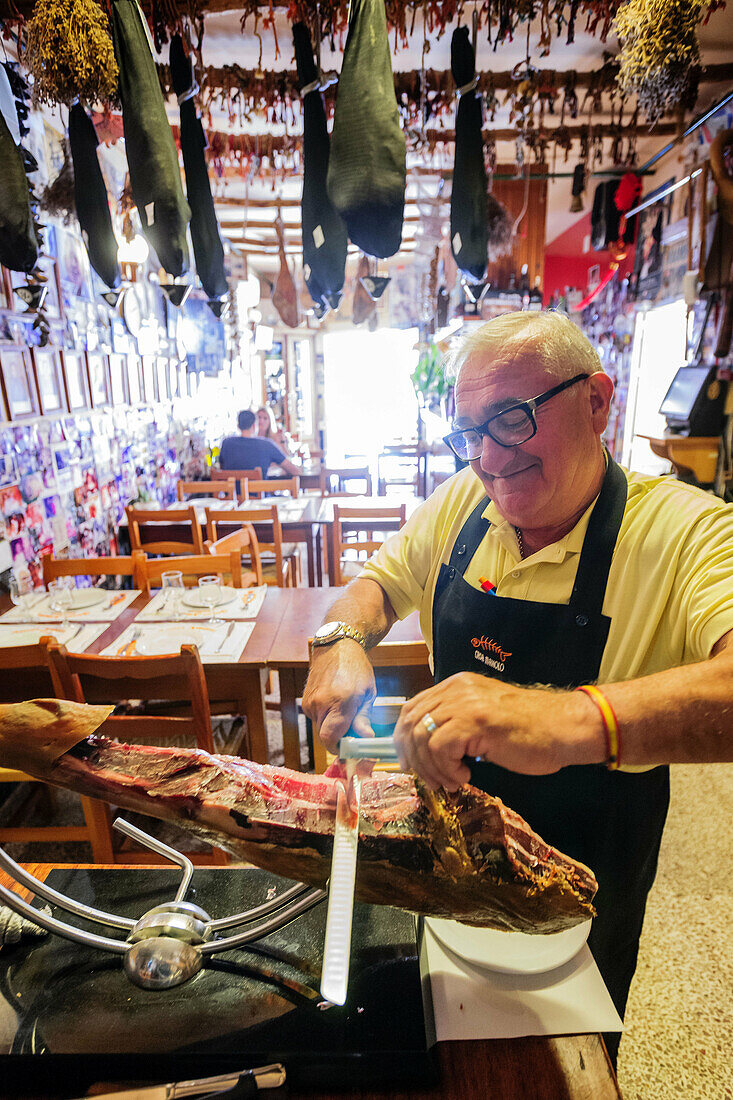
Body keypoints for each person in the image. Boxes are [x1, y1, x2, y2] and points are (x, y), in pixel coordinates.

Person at [302, 310, 733, 1065]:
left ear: (596, 402)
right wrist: (339, 641)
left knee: (562, 1055)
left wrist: (570, 719)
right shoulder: (461, 504)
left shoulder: (685, 531)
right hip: (450, 821)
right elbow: (374, 585)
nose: (488, 459)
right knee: (435, 1033)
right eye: (468, 434)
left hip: (588, 851)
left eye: (509, 420)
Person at [219, 409, 300, 478]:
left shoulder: (226, 443)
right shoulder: (267, 445)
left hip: (231, 496)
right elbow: (294, 471)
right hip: (260, 495)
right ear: (254, 425)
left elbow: (222, 467)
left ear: (238, 426)